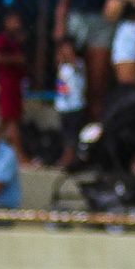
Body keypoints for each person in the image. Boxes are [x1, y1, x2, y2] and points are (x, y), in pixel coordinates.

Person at [54, 0, 119, 119]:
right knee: (70, 82)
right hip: (76, 25)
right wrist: (61, 36)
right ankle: (70, 136)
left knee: (97, 84)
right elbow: (63, 5)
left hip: (102, 25)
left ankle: (94, 130)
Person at [0, 9, 29, 158]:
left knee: (8, 120)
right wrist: (16, 59)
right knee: (10, 119)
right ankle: (19, 154)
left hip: (17, 85)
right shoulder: (1, 40)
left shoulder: (19, 40)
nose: (16, 24)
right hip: (6, 84)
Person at [53, 37, 87, 170]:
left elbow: (75, 66)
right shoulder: (62, 67)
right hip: (63, 107)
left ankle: (70, 158)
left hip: (75, 106)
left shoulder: (78, 64)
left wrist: (69, 56)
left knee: (73, 134)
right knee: (65, 134)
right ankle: (66, 156)